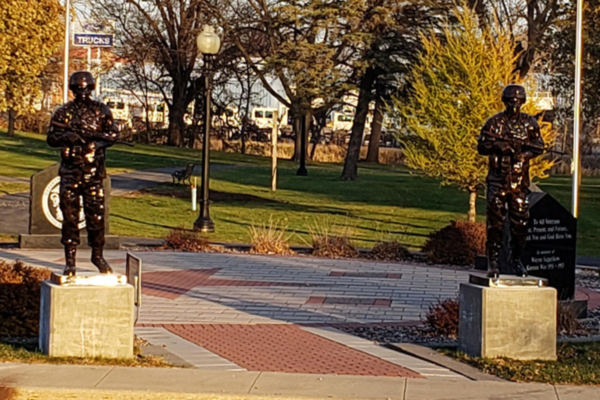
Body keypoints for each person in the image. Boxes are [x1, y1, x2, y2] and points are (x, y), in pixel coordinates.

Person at [47, 71, 119, 276]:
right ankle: (70, 261)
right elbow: (51, 137)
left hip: (93, 173)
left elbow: (113, 134)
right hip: (70, 172)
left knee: (96, 217)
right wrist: (66, 137)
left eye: (85, 88)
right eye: (78, 88)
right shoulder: (64, 112)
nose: (82, 92)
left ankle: (98, 255)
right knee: (70, 217)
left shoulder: (101, 110)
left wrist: (96, 143)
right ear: (72, 89)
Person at [477, 84, 545, 278]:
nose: (514, 104)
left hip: (518, 181)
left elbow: (539, 146)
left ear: (522, 102)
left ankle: (515, 260)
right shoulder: (494, 123)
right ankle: (493, 263)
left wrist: (524, 155)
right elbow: (482, 146)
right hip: (497, 180)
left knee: (520, 224)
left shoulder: (529, 123)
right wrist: (498, 146)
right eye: (510, 101)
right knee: (495, 224)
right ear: (504, 101)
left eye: (517, 101)